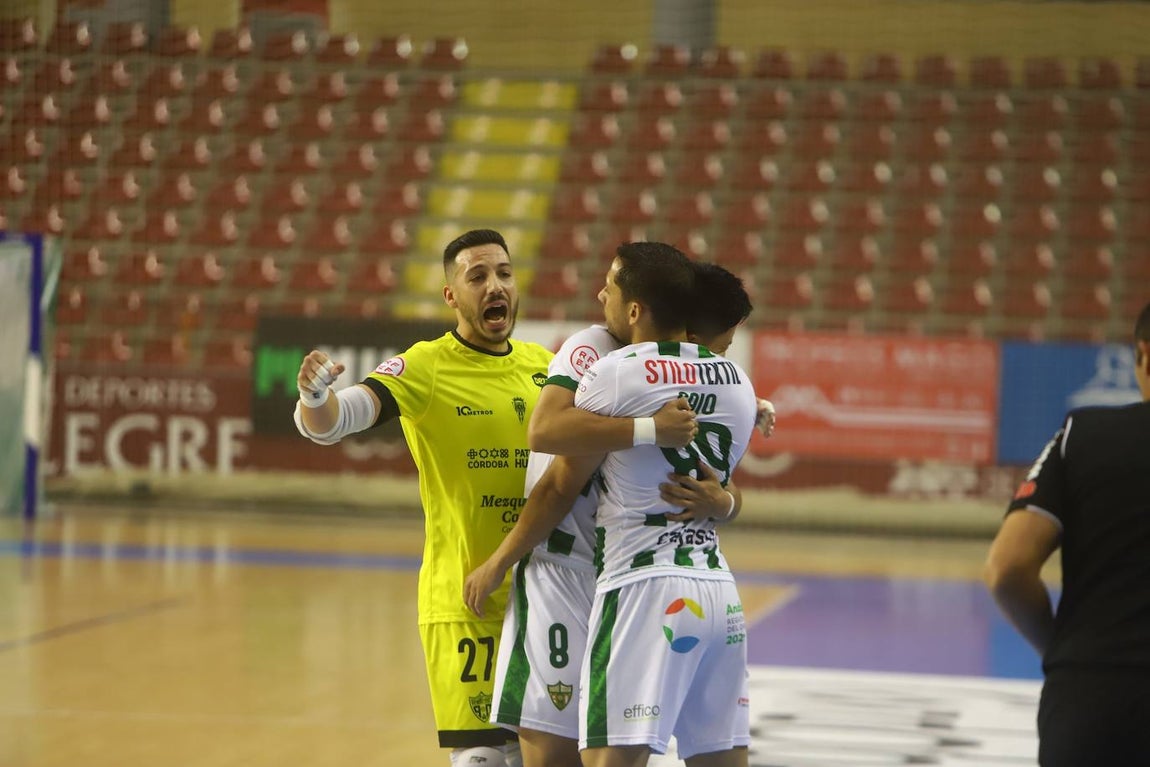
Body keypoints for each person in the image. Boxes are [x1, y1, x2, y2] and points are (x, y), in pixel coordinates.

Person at [293, 229, 695, 767]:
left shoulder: (546, 366)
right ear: (451, 296)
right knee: (483, 759)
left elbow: (649, 380)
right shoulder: (425, 366)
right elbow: (337, 421)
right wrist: (314, 398)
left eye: (503, 273)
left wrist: (736, 400)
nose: (494, 286)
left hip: (553, 599)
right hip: (469, 603)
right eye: (476, 276)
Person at [465, 258, 766, 767]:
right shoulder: (730, 382)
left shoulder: (618, 371)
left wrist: (497, 562)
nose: (598, 296)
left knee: (602, 755)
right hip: (657, 577)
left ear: (637, 307)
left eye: (608, 287)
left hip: (629, 582)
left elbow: (555, 463)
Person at [985, 300, 1150, 766]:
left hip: (1091, 694)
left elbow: (1007, 568)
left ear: (1144, 355)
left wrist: (1060, 648)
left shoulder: (1084, 434)